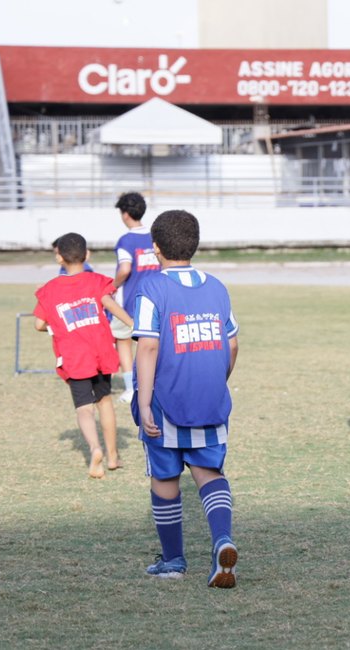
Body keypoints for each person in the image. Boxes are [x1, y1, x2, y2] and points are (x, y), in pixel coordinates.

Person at [131, 210, 239, 588]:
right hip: (209, 397)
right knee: (209, 473)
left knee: (164, 477)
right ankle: (222, 539)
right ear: (195, 244)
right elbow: (233, 342)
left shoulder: (151, 288)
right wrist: (218, 378)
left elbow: (147, 345)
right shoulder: (217, 287)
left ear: (155, 247)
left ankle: (174, 560)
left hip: (164, 399)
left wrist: (144, 403)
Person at [34, 233, 133, 478]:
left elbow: (38, 324)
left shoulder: (49, 290)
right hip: (100, 352)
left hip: (73, 356)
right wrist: (134, 323)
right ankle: (112, 457)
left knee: (84, 409)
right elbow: (111, 306)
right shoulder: (97, 281)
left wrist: (55, 324)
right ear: (87, 255)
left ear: (59, 257)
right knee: (105, 402)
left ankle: (94, 448)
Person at [113, 192, 159, 404]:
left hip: (130, 302)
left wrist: (112, 286)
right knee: (151, 344)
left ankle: (132, 388)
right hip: (155, 299)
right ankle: (152, 383)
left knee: (123, 343)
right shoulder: (155, 237)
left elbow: (124, 269)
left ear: (124, 215)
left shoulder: (126, 240)